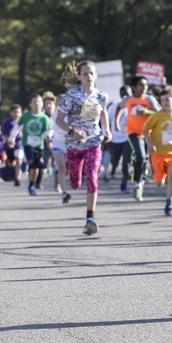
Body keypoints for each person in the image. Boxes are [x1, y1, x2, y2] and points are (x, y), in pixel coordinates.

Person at [55, 61, 112, 235]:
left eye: (92, 73)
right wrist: (73, 132)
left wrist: (107, 129)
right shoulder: (71, 96)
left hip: (94, 141)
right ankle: (74, 181)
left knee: (93, 177)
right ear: (79, 76)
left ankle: (90, 218)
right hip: (74, 144)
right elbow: (59, 120)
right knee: (75, 182)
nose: (89, 77)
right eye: (85, 74)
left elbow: (102, 112)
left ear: (96, 76)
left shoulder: (101, 95)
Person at [142, 85, 172, 217]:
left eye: (167, 99)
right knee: (159, 183)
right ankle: (159, 176)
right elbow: (145, 130)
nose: (164, 102)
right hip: (157, 153)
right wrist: (150, 144)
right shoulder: (156, 116)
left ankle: (169, 205)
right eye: (162, 100)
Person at [115, 76, 159, 202]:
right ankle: (138, 184)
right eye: (141, 84)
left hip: (148, 133)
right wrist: (117, 122)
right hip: (133, 132)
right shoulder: (128, 100)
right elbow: (119, 107)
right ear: (134, 87)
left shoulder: (149, 99)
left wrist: (146, 112)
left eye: (146, 85)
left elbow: (160, 113)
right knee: (140, 156)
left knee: (144, 158)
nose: (144, 87)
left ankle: (140, 179)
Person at [18, 94, 52, 196]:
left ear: (42, 104)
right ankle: (31, 182)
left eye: (39, 102)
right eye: (34, 102)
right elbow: (17, 126)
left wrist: (49, 142)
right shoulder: (26, 115)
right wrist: (11, 139)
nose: (37, 104)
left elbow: (47, 132)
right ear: (30, 104)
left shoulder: (44, 118)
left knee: (36, 167)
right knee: (30, 161)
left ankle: (32, 185)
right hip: (27, 143)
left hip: (39, 145)